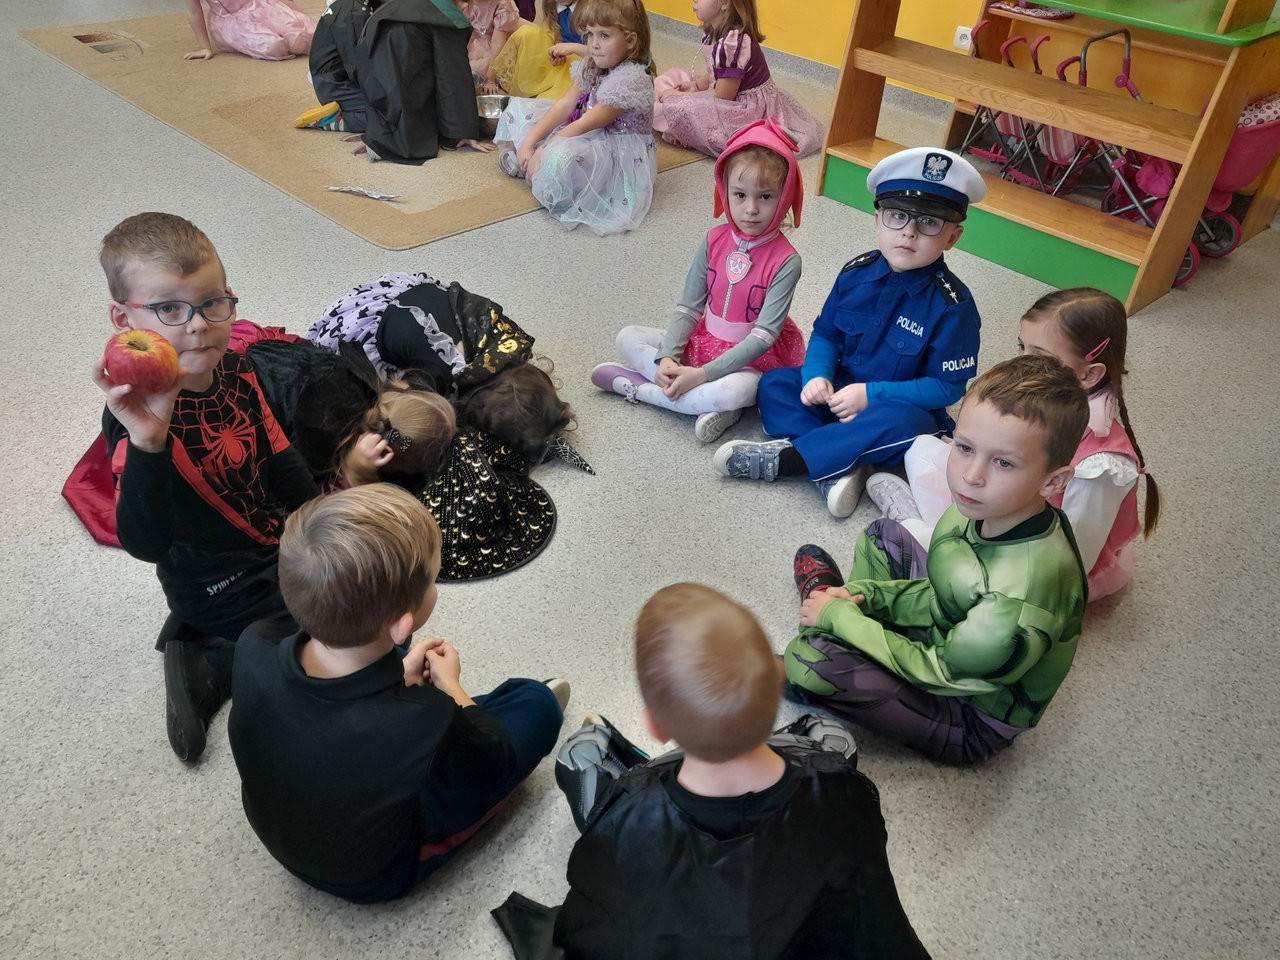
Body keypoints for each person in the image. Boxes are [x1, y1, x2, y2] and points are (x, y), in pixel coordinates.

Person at [493, 583, 931, 959]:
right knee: (833, 739)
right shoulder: (842, 790)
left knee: (582, 752)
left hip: (647, 811)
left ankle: (629, 754)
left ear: (656, 726)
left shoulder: (627, 823)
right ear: (776, 688)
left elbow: (595, 928)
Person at [228, 484, 568, 902]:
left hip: (287, 829)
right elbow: (493, 764)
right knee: (534, 703)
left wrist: (401, 677)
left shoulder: (254, 643)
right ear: (403, 625)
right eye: (433, 579)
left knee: (442, 720)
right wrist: (451, 687)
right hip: (371, 876)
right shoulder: (424, 718)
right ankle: (526, 704)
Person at [91, 213, 320, 762]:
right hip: (213, 582)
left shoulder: (238, 368)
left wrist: (322, 525)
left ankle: (225, 639)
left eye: (212, 302)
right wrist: (149, 441)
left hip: (270, 546)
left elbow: (279, 455)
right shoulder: (134, 420)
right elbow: (146, 543)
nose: (198, 326)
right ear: (124, 319)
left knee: (361, 589)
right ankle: (207, 660)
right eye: (170, 309)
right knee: (334, 639)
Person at [784, 356, 1090, 766]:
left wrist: (842, 618)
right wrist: (861, 595)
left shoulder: (1018, 599)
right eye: (964, 448)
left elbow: (941, 671)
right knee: (882, 538)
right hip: (950, 634)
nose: (971, 476)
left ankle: (827, 626)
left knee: (809, 658)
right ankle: (835, 616)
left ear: (1053, 481)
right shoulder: (983, 507)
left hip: (967, 713)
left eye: (1003, 462)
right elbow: (939, 592)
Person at [714, 146, 985, 518]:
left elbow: (947, 389)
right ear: (877, 220)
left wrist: (870, 396)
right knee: (775, 383)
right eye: (897, 216)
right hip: (840, 390)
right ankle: (839, 466)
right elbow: (826, 334)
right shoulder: (855, 273)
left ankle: (795, 460)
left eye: (929, 222)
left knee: (905, 426)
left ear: (952, 237)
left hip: (894, 407)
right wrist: (817, 376)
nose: (909, 232)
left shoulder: (954, 306)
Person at [866, 287, 1160, 600]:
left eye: (1041, 357)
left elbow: (1072, 562)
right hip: (1005, 506)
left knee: (919, 546)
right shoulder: (1037, 404)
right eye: (1022, 347)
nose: (1022, 362)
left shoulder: (1101, 466)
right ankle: (931, 533)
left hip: (1029, 562)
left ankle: (920, 530)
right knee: (922, 448)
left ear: (1088, 375)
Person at [589, 118, 806, 443]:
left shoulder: (787, 261)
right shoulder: (712, 240)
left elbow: (762, 338)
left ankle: (640, 389)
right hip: (704, 340)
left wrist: (702, 374)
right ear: (724, 191)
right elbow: (689, 308)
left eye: (765, 196)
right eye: (740, 194)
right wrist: (667, 358)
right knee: (627, 337)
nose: (750, 209)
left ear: (785, 197)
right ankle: (697, 399)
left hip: (750, 358)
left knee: (737, 391)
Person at [494, 0, 656, 235]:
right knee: (519, 110)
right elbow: (564, 105)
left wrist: (543, 151)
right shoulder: (592, 63)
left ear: (630, 41)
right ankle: (529, 162)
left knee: (560, 156)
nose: (594, 44)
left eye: (604, 36)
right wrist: (529, 143)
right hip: (581, 131)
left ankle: (537, 170)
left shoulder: (631, 80)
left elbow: (584, 125)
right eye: (589, 35)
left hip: (614, 151)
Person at [295, 0, 494, 161]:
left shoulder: (399, 6)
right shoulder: (446, 21)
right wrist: (464, 131)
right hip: (340, 83)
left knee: (394, 110)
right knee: (416, 119)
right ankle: (345, 120)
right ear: (463, 5)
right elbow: (452, 77)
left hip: (371, 78)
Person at [651, 0, 824, 159]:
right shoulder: (715, 33)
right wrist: (695, 85)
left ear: (725, 3)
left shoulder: (732, 43)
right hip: (727, 92)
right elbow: (715, 73)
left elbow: (723, 96)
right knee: (673, 78)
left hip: (747, 108)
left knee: (679, 105)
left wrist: (680, 96)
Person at [491, 0, 587, 99]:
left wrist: (572, 48)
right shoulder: (553, 5)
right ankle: (533, 83)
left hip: (584, 57)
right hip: (566, 54)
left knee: (552, 96)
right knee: (526, 33)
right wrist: (558, 54)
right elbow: (558, 38)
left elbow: (594, 51)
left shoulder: (590, 8)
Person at [183, 0, 315, 61]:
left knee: (301, 37)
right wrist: (205, 47)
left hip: (261, 7)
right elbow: (194, 12)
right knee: (274, 45)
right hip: (233, 21)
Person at [455, 0, 527, 92]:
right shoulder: (466, 2)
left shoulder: (503, 6)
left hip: (499, 42)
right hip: (476, 39)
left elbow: (498, 43)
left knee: (475, 71)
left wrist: (491, 80)